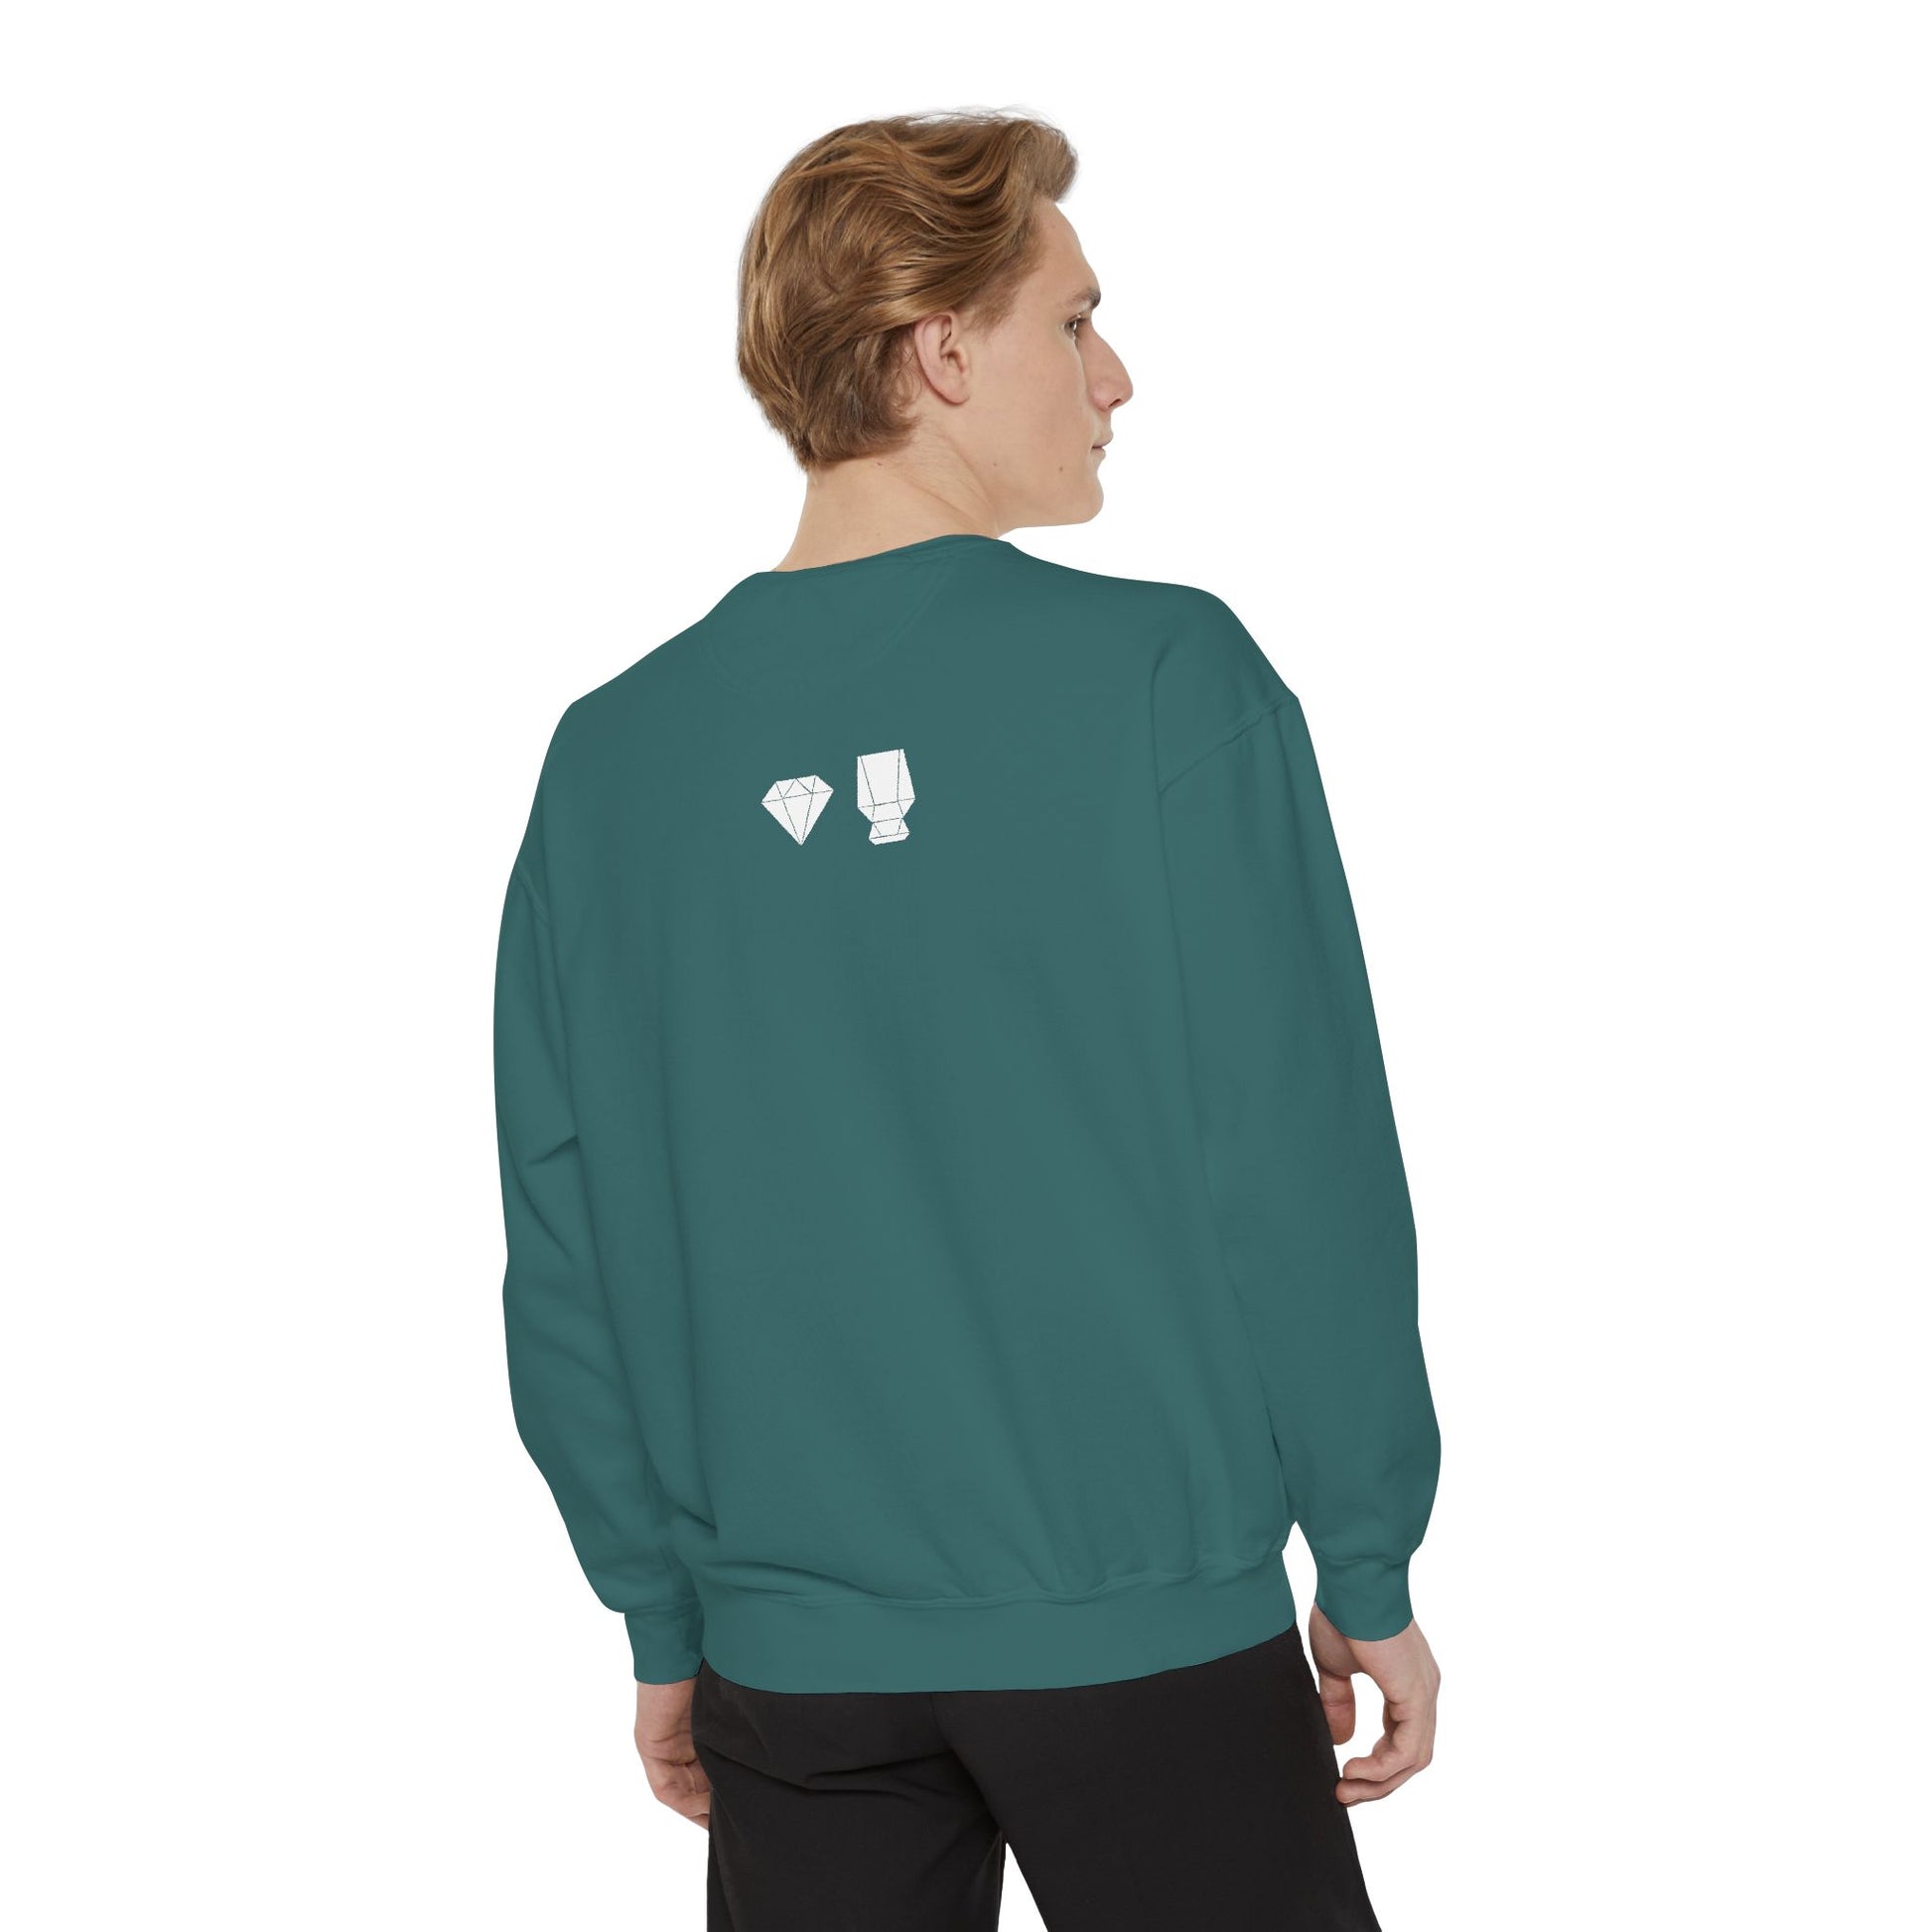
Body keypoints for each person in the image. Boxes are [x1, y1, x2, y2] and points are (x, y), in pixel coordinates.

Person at [493, 109, 1442, 1931]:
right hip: (1142, 1636)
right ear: (939, 348)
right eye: (1071, 321)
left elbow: (570, 1247)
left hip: (793, 1669)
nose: (1114, 374)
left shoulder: (607, 762)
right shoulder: (1167, 679)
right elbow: (1295, 1160)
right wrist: (1370, 1553)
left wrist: (662, 1615)